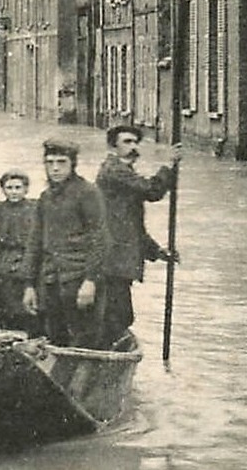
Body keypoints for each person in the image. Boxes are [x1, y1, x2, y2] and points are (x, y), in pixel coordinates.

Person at [95, 124, 180, 348]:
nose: (133, 147)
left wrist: (157, 251)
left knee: (119, 315)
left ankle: (109, 353)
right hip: (113, 259)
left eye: (135, 142)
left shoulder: (124, 173)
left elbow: (132, 225)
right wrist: (169, 166)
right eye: (127, 142)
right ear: (113, 146)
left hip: (120, 258)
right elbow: (152, 191)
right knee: (118, 315)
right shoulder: (114, 171)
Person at [24, 139, 107, 349]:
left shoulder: (88, 193)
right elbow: (35, 241)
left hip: (79, 279)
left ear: (72, 164)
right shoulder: (46, 197)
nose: (55, 168)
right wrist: (29, 285)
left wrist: (91, 281)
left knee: (84, 339)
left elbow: (100, 239)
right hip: (51, 279)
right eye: (49, 162)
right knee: (55, 337)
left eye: (61, 162)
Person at [0, 168, 38, 335]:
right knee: (2, 275)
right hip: (5, 252)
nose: (14, 192)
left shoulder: (34, 207)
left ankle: (28, 318)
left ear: (26, 189)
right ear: (3, 189)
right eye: (9, 188)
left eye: (18, 188)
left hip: (28, 252)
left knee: (25, 274)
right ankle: (7, 318)